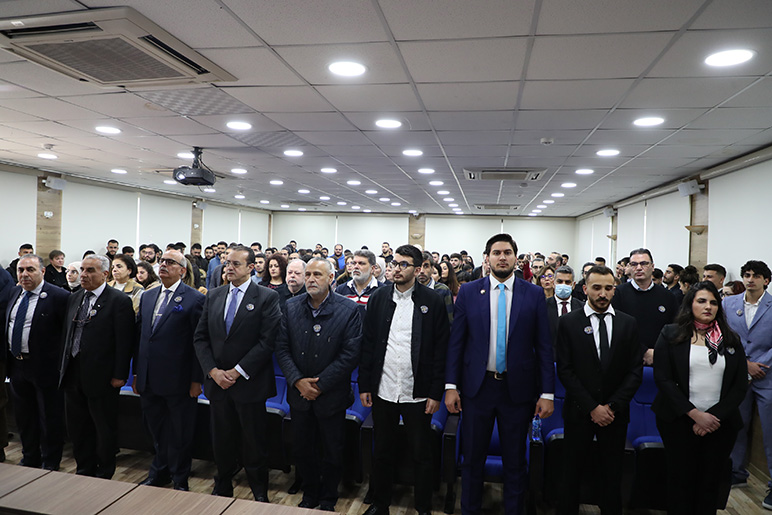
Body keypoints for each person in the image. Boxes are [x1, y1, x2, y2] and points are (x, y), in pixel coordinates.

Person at [445, 233, 554, 515]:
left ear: (516, 258)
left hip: (517, 391)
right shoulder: (469, 292)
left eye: (507, 252)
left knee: (515, 462)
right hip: (477, 389)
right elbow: (457, 343)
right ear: (487, 258)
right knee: (472, 459)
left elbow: (543, 346)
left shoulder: (533, 294)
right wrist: (451, 386)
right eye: (496, 253)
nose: (502, 257)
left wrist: (547, 393)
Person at [360, 245, 450, 515]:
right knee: (382, 451)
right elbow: (368, 344)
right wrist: (365, 385)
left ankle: (423, 507)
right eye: (394, 264)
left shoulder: (432, 300)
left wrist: (435, 392)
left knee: (421, 454)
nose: (396, 269)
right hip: (384, 388)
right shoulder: (378, 298)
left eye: (404, 264)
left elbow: (440, 350)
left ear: (418, 269)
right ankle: (380, 504)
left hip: (417, 391)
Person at [193, 246, 282, 501]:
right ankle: (222, 486)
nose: (229, 268)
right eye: (227, 263)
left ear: (251, 267)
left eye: (235, 264)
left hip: (249, 384)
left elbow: (267, 341)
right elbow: (200, 338)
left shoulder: (266, 297)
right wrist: (213, 371)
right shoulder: (214, 295)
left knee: (254, 443)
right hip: (218, 383)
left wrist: (236, 372)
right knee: (221, 441)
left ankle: (259, 492)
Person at [653, 281, 747, 513]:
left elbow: (738, 386)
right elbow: (663, 379)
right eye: (702, 301)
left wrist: (712, 417)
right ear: (690, 304)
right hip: (678, 420)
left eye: (713, 302)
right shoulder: (671, 334)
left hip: (720, 424)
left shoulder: (730, 339)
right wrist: (695, 415)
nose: (708, 307)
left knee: (710, 484)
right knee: (680, 481)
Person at [275, 258, 362, 511]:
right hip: (299, 395)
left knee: (332, 451)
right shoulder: (291, 306)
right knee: (302, 449)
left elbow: (350, 354)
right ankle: (310, 493)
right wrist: (298, 381)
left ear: (331, 278)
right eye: (308, 274)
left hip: (331, 396)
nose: (311, 279)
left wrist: (320, 385)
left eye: (317, 275)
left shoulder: (349, 309)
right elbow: (282, 348)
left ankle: (328, 498)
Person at [556, 265, 642, 515]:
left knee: (612, 475)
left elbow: (635, 371)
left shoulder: (628, 323)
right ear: (585, 289)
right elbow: (565, 370)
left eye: (608, 288)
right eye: (596, 288)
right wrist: (592, 407)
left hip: (615, 415)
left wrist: (611, 406)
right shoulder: (568, 322)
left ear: (614, 290)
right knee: (571, 474)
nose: (602, 293)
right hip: (579, 412)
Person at [133, 250, 205, 491]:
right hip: (149, 377)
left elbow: (199, 343)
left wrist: (196, 380)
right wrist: (137, 373)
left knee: (180, 433)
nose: (163, 265)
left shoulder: (194, 299)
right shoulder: (148, 296)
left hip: (179, 379)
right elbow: (141, 338)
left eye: (170, 262)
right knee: (156, 430)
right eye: (162, 261)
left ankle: (180, 477)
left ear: (182, 271)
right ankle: (159, 472)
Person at [58, 254, 135, 478]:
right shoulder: (75, 297)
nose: (83, 275)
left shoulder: (118, 301)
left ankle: (105, 470)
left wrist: (119, 374)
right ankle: (84, 467)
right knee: (77, 426)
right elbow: (67, 335)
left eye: (90, 270)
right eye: (82, 269)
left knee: (103, 427)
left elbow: (125, 342)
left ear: (105, 274)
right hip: (73, 372)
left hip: (102, 376)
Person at [5, 255, 70, 470]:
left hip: (46, 368)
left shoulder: (59, 296)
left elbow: (66, 334)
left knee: (49, 417)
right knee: (24, 416)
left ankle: (50, 461)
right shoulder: (15, 292)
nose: (24, 274)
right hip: (17, 365)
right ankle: (29, 457)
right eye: (21, 270)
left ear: (42, 271)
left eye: (30, 270)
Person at [724, 260, 772, 508]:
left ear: (766, 280)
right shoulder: (728, 303)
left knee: (770, 431)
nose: (750, 279)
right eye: (747, 275)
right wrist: (744, 364)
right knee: (737, 425)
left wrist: (760, 365)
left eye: (756, 276)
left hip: (767, 375)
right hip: (738, 373)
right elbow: (722, 336)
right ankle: (736, 471)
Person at [611, 248, 677, 366]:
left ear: (652, 266)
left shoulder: (667, 296)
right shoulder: (618, 294)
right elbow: (616, 329)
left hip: (660, 359)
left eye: (644, 264)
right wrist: (644, 351)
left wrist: (659, 352)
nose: (639, 268)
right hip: (626, 360)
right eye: (634, 264)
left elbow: (675, 328)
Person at [547, 265, 584, 356]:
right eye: (559, 281)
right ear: (553, 283)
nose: (563, 285)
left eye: (567, 282)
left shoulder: (582, 307)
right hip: (551, 357)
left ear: (573, 285)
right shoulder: (543, 306)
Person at [335, 249, 380, 314]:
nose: (356, 266)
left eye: (361, 263)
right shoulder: (341, 290)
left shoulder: (382, 291)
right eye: (354, 263)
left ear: (372, 269)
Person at [416, 251, 454, 323]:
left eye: (426, 266)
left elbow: (449, 319)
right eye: (419, 266)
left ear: (432, 269)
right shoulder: (410, 289)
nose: (422, 271)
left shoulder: (443, 290)